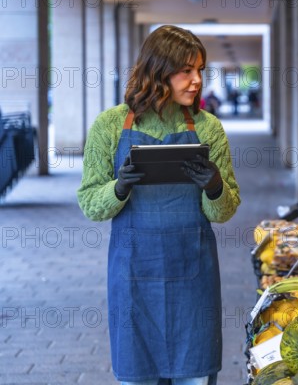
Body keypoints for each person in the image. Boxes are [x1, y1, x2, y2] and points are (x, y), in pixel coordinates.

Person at [77, 25, 241, 385]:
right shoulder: (109, 126)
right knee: (138, 374)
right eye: (186, 70)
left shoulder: (208, 128)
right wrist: (118, 188)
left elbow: (225, 211)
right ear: (157, 71)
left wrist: (214, 185)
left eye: (200, 70)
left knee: (193, 375)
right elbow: (90, 202)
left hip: (193, 279)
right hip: (133, 280)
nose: (197, 80)